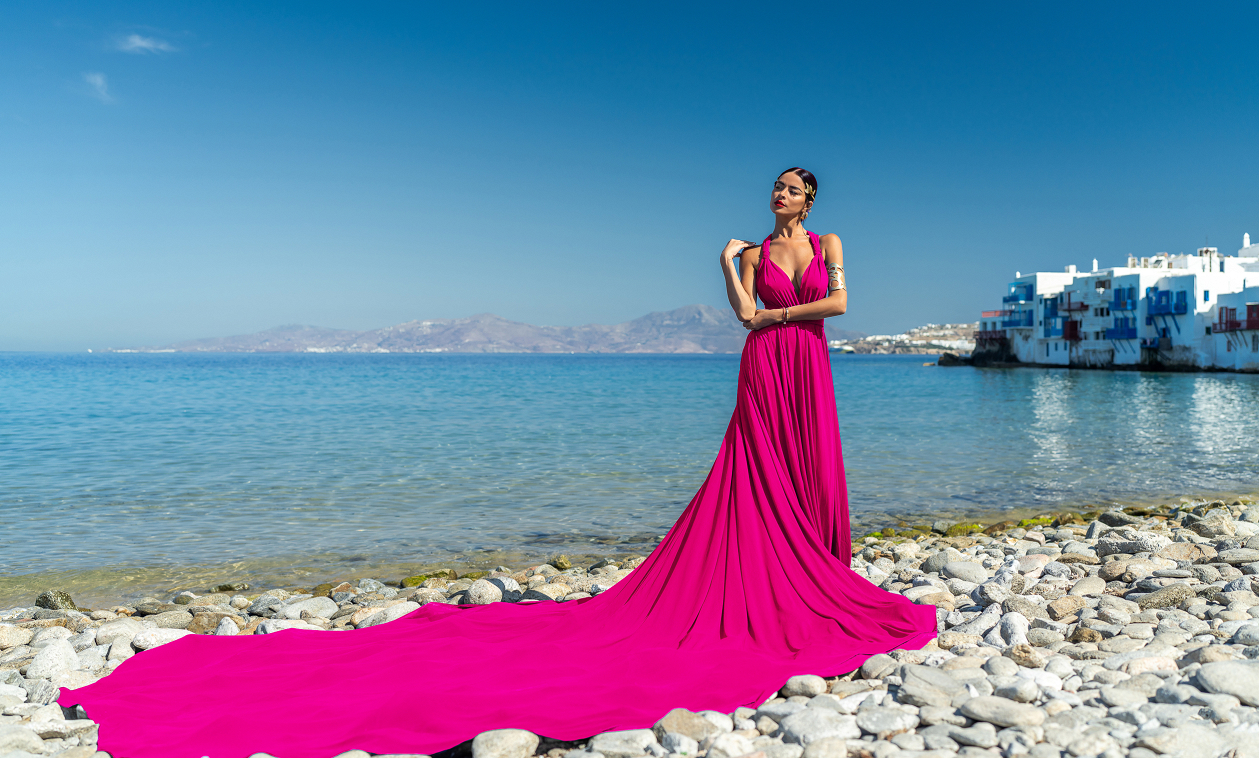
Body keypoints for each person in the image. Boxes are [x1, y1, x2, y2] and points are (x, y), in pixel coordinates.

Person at [61, 168, 936, 758]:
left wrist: (781, 314)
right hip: (766, 367)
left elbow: (840, 304)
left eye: (795, 188)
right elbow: (748, 318)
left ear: (810, 199)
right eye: (777, 187)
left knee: (808, 466)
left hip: (807, 367)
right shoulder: (746, 253)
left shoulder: (829, 246)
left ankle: (813, 572)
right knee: (755, 474)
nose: (782, 196)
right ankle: (766, 570)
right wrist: (730, 272)